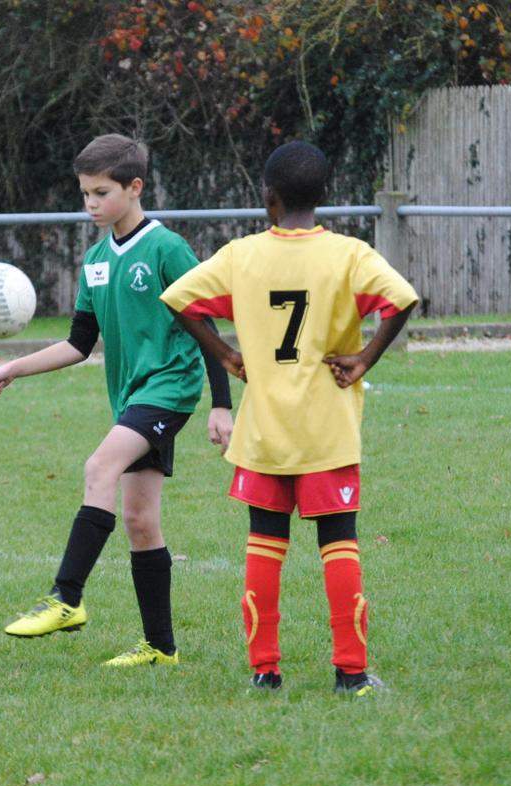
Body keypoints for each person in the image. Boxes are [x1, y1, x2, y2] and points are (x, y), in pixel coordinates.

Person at [159, 140, 418, 695]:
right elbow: (402, 298)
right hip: (327, 431)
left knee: (263, 543)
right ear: (324, 196)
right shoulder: (350, 254)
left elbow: (179, 298)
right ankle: (350, 674)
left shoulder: (241, 255)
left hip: (264, 434)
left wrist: (227, 354)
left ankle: (265, 670)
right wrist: (365, 357)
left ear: (268, 197)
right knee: (339, 543)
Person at [0, 134, 234, 666]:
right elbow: (78, 344)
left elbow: (206, 327)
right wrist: (13, 369)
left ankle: (66, 596)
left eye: (100, 192)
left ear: (134, 187)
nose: (90, 204)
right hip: (132, 397)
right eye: (85, 194)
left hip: (169, 388)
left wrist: (221, 404)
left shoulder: (166, 249)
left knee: (99, 467)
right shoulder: (95, 259)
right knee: (141, 521)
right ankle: (161, 648)